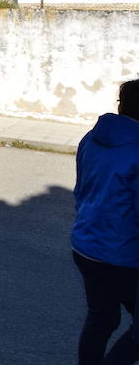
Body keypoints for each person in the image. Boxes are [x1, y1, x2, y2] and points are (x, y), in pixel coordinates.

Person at [71, 79, 139, 364]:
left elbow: (82, 187)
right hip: (123, 254)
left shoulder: (93, 136)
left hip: (86, 246)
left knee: (102, 318)